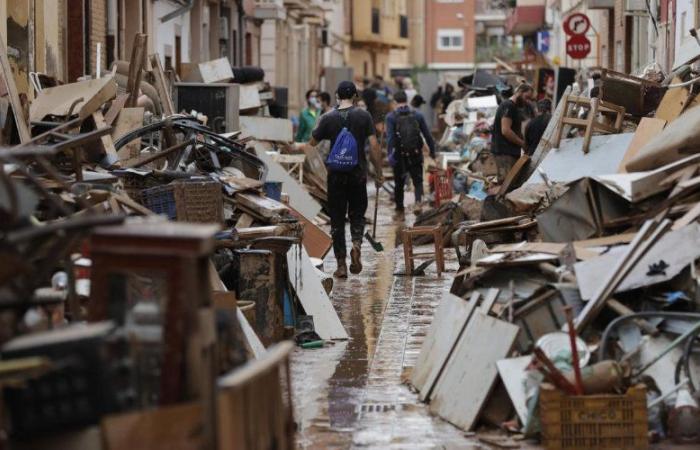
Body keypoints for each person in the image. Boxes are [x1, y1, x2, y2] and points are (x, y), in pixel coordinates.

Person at [307, 81, 384, 278]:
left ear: (337, 96)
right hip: (357, 174)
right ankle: (356, 245)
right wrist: (379, 172)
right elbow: (374, 146)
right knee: (357, 214)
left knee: (337, 220)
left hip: (335, 176)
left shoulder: (328, 117)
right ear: (356, 96)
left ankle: (341, 265)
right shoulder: (363, 116)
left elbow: (312, 142)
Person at [386, 90, 436, 216]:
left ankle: (399, 210)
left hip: (399, 155)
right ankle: (418, 202)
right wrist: (432, 151)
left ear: (394, 101)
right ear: (407, 101)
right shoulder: (417, 115)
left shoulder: (391, 117)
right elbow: (427, 135)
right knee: (417, 181)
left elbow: (390, 139)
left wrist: (390, 155)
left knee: (399, 183)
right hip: (415, 153)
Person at [491, 83, 534, 182]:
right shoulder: (509, 106)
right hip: (504, 152)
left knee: (509, 184)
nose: (527, 101)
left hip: (509, 152)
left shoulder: (512, 107)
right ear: (519, 92)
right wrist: (522, 143)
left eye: (529, 99)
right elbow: (505, 130)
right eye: (526, 97)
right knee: (506, 185)